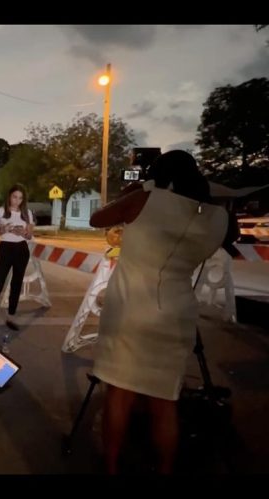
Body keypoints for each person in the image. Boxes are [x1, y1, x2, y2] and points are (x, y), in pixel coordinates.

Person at [89, 150, 238, 474]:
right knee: (165, 401)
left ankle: (111, 469)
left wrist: (137, 190)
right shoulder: (215, 217)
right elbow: (230, 238)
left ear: (157, 176)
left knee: (120, 394)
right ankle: (165, 473)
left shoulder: (146, 199)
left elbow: (97, 218)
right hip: (177, 313)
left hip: (129, 309)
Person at [0, 185, 35, 332]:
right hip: (5, 249)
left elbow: (30, 235)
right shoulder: (0, 211)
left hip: (21, 249)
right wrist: (3, 230)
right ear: (9, 196)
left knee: (16, 284)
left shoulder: (27, 213)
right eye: (15, 197)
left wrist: (23, 233)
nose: (17, 201)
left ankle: (11, 317)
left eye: (20, 198)